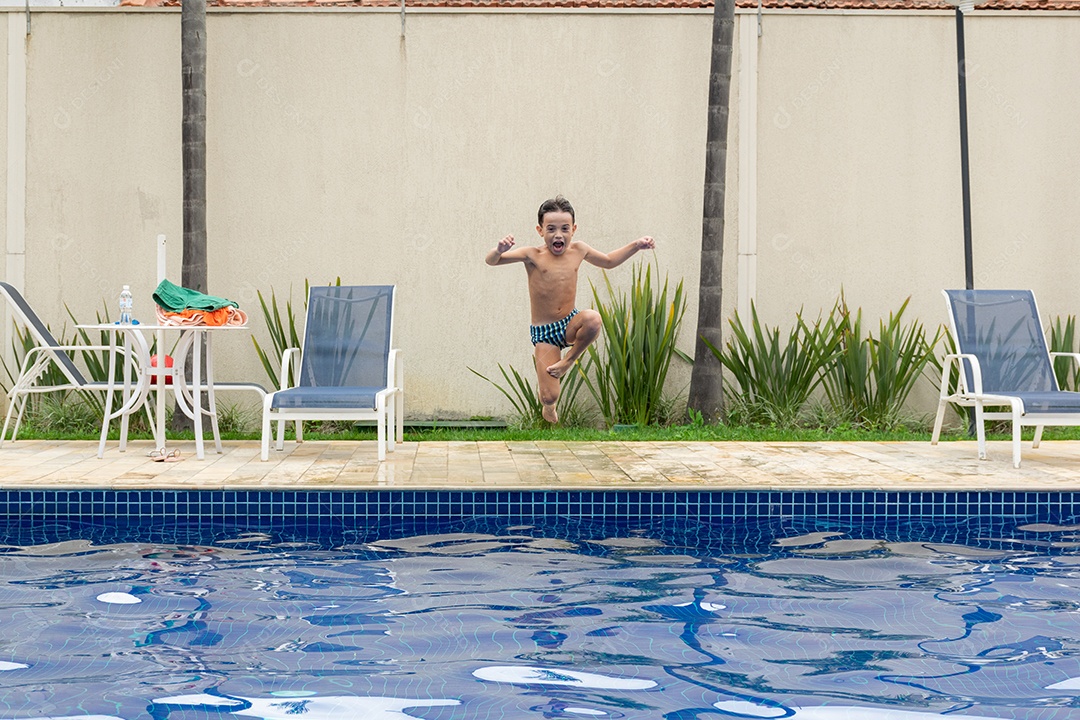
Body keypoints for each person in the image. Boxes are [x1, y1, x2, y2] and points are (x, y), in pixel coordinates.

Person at [485, 195, 655, 424]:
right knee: (549, 395)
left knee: (593, 319)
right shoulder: (531, 255)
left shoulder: (579, 250)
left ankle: (569, 361)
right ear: (540, 230)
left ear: (573, 229)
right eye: (551, 229)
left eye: (565, 228)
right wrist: (499, 249)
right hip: (545, 332)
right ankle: (549, 406)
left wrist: (636, 245)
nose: (558, 234)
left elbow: (608, 261)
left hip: (570, 324)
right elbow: (492, 261)